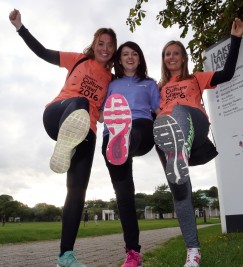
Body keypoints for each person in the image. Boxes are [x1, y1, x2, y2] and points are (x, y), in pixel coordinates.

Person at [9, 9, 117, 267]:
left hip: (87, 133)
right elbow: (43, 52)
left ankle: (65, 256)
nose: (104, 48)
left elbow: (108, 111)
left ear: (113, 51)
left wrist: (103, 115)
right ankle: (66, 141)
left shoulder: (112, 80)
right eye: (100, 43)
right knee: (80, 101)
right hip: (57, 116)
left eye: (109, 45)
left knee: (77, 192)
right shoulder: (78, 60)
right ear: (94, 45)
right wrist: (20, 27)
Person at [153, 18, 243, 267]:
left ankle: (180, 150)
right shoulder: (158, 87)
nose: (171, 57)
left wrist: (235, 38)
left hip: (194, 124)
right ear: (163, 60)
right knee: (181, 193)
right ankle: (193, 251)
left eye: (176, 53)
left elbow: (227, 74)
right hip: (165, 139)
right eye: (167, 54)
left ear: (183, 58)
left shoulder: (196, 78)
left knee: (180, 110)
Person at [101, 41, 160, 267]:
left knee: (134, 132)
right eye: (125, 54)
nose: (130, 57)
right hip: (111, 135)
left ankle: (125, 136)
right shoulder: (111, 84)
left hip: (142, 129)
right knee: (124, 196)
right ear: (119, 59)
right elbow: (100, 114)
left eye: (134, 53)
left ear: (140, 58)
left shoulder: (149, 84)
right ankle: (133, 254)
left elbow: (158, 110)